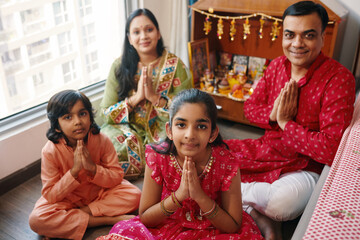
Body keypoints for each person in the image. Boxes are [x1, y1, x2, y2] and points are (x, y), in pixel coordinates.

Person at [226, 1, 356, 239]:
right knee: (206, 154)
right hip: (266, 152)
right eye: (290, 35)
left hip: (305, 166)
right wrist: (273, 116)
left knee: (281, 203)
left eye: (308, 35)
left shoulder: (338, 79)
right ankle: (256, 212)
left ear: (322, 38)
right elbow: (249, 109)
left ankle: (229, 194)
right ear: (283, 36)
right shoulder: (276, 66)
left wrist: (286, 124)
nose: (297, 44)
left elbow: (330, 149)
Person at [96, 89, 264, 240]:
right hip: (167, 223)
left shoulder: (227, 163)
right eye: (181, 125)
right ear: (169, 130)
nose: (190, 135)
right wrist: (179, 196)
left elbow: (233, 226)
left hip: (214, 227)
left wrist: (199, 196)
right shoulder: (158, 157)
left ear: (213, 133)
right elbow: (146, 217)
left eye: (201, 126)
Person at [29, 90, 141, 240]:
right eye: (68, 117)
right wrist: (74, 172)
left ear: (90, 116)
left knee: (135, 196)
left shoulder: (101, 139)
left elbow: (116, 177)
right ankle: (106, 220)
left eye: (82, 114)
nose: (78, 121)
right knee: (36, 220)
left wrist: (92, 168)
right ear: (57, 126)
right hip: (67, 199)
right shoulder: (50, 151)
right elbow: (50, 195)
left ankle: (76, 218)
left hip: (100, 193)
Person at [100, 8, 192, 179]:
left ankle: (151, 165)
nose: (143, 36)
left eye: (149, 30)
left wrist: (155, 98)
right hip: (126, 127)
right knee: (105, 141)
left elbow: (188, 111)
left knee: (179, 144)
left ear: (158, 33)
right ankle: (153, 165)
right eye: (136, 32)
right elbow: (105, 113)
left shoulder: (176, 66)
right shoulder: (119, 66)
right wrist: (136, 98)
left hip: (164, 127)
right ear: (129, 39)